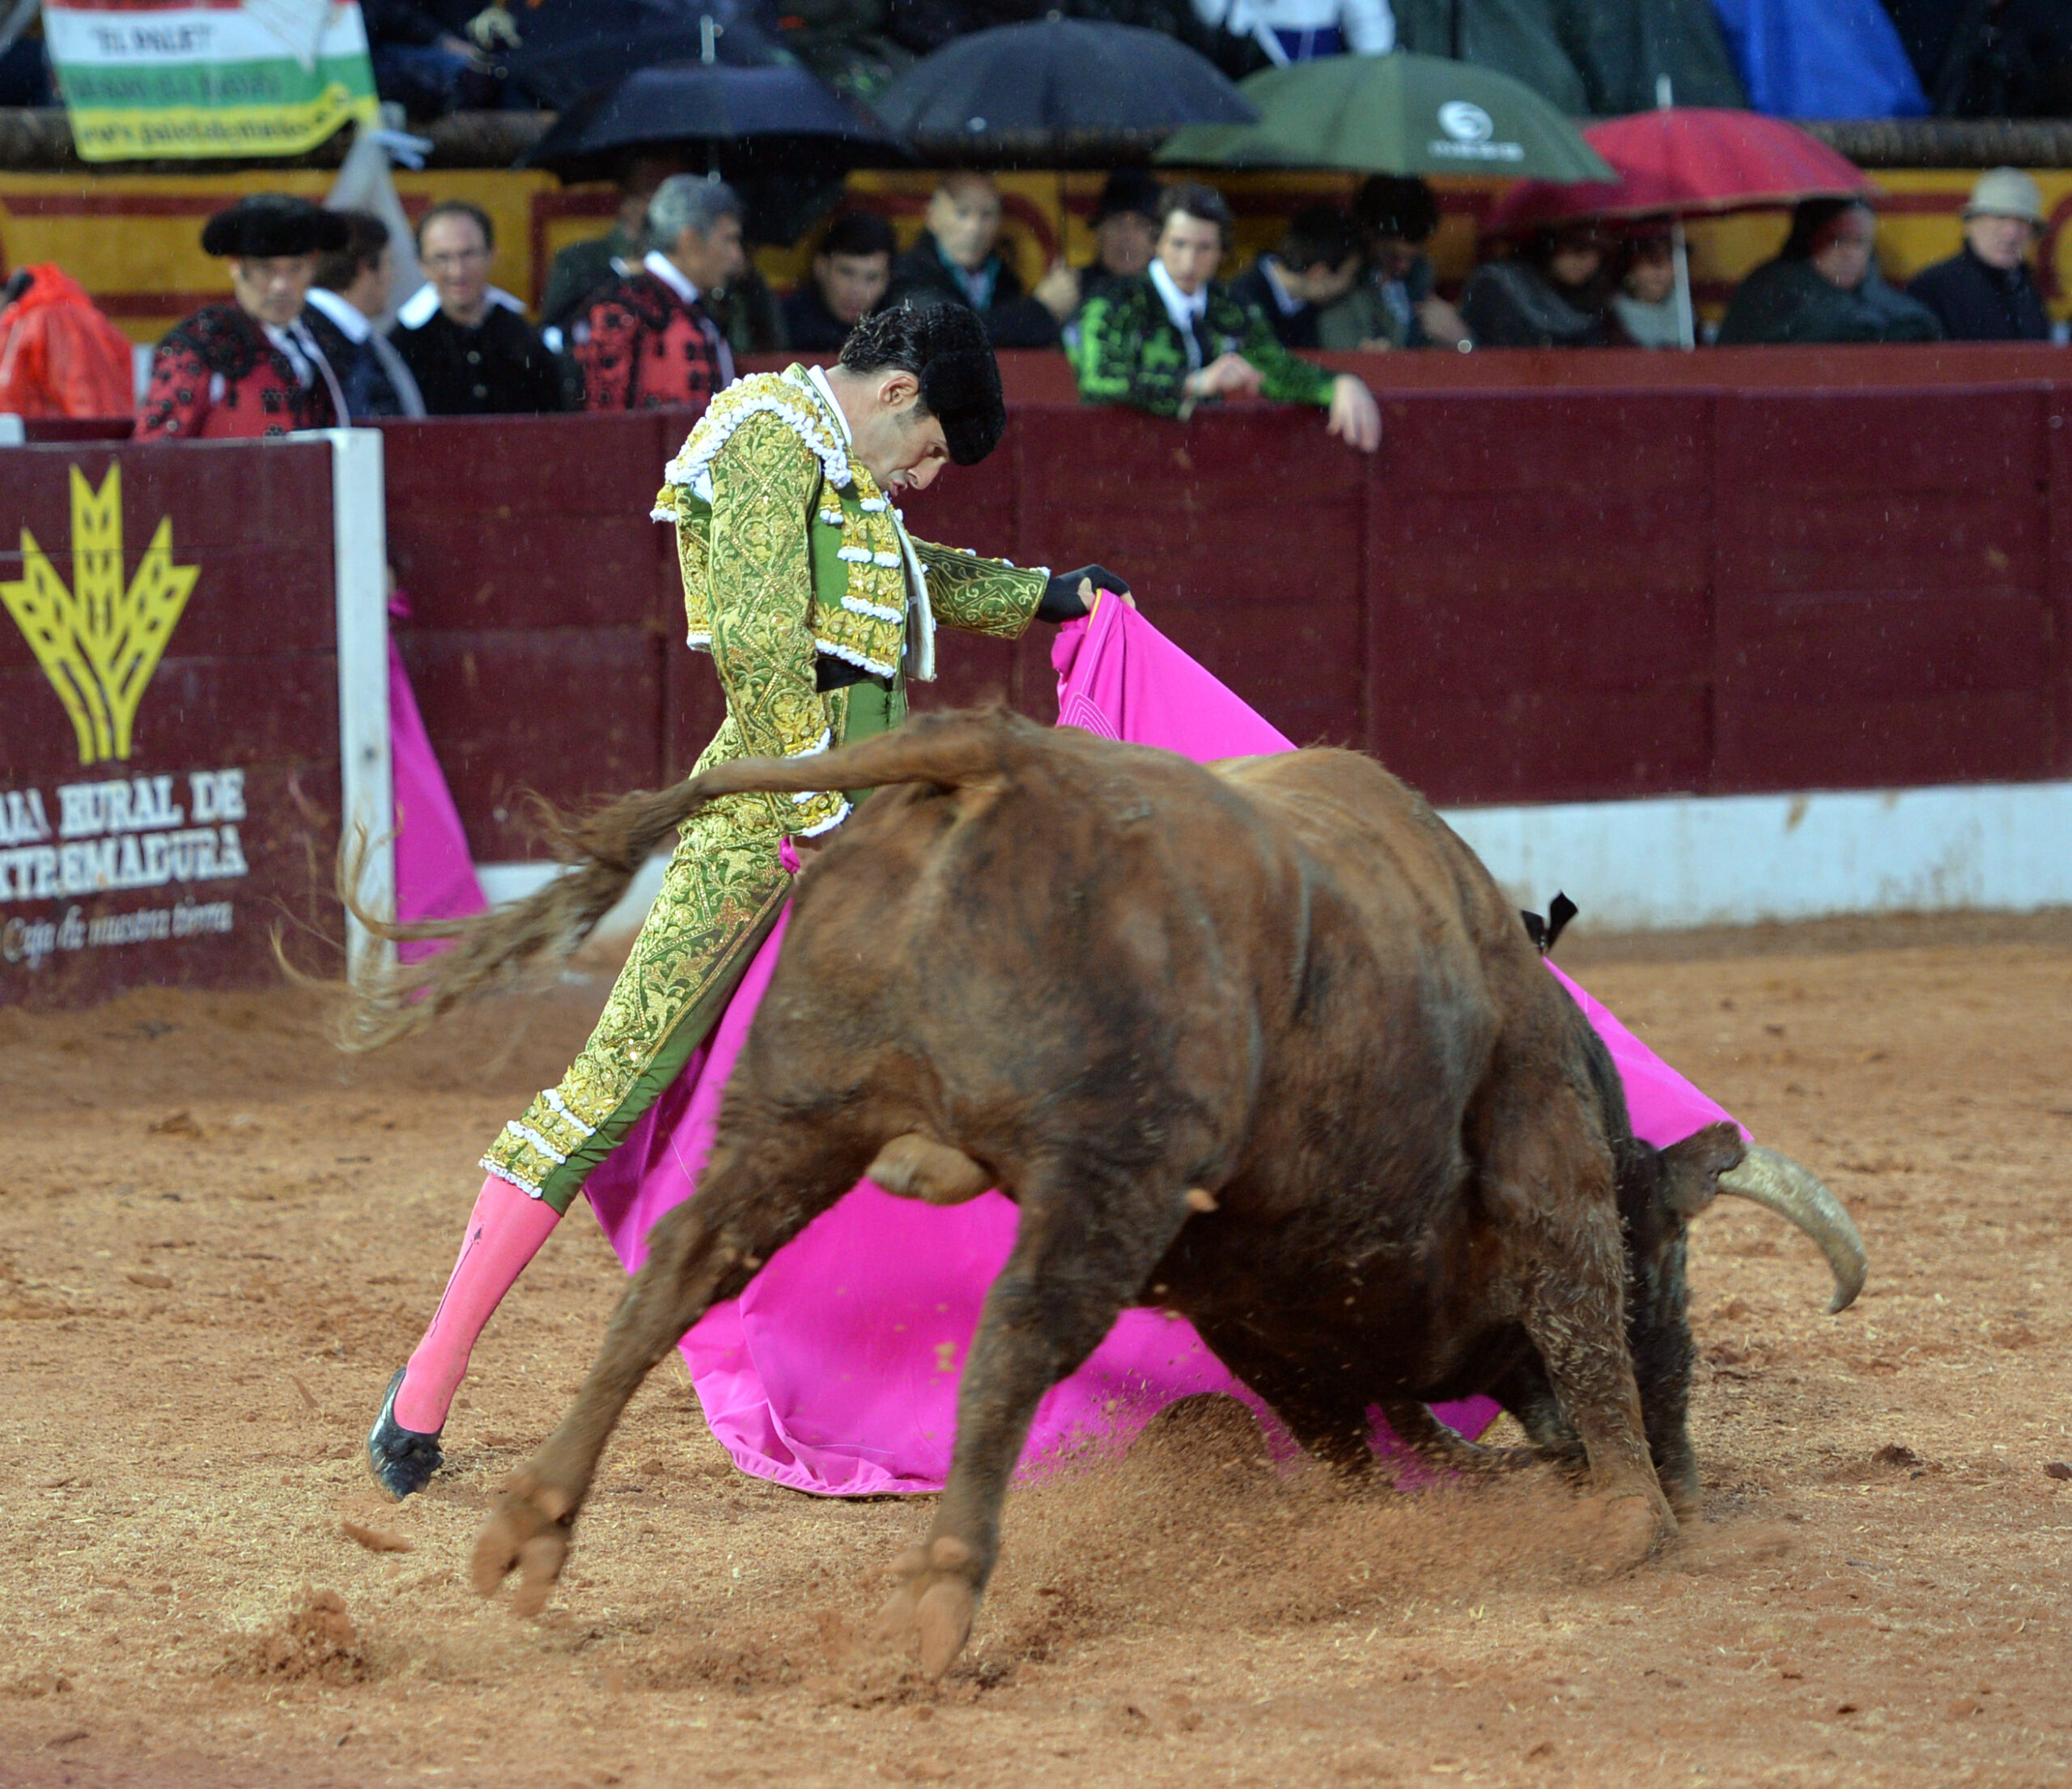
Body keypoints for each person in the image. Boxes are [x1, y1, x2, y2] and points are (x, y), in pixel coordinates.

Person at [363, 301, 1133, 1498]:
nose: (926, 477)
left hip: (867, 826)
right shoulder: (768, 435)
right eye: (932, 449)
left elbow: (901, 577)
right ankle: (425, 1382)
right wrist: (816, 817)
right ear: (897, 393)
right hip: (765, 832)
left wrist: (1039, 596)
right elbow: (764, 647)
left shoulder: (843, 467)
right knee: (609, 1088)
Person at [1072, 182, 1381, 453]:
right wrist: (1191, 383)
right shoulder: (1115, 302)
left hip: (1200, 463)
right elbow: (1099, 379)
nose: (1189, 262)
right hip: (1127, 458)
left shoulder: (1231, 307)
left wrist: (1337, 384)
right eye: (1178, 244)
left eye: (1204, 248)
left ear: (1222, 253)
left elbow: (1275, 369)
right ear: (1158, 243)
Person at [136, 194, 348, 440]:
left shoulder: (322, 342)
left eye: (296, 268)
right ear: (236, 267)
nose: (281, 286)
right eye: (265, 270)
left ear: (313, 265)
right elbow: (154, 452)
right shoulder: (203, 344)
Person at [575, 176, 742, 412]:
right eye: (729, 240)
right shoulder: (625, 307)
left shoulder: (686, 305)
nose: (737, 257)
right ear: (691, 240)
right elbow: (609, 420)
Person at [390, 201, 563, 414]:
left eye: (468, 255)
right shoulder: (401, 346)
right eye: (441, 258)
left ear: (491, 255)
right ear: (422, 264)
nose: (457, 272)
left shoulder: (523, 337)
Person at [884, 172, 1078, 350]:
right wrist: (1040, 309)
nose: (974, 228)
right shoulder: (910, 272)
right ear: (932, 216)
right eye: (962, 213)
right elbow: (946, 332)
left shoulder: (1004, 277)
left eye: (987, 215)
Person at [1717, 198, 1942, 346]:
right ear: (1808, 241)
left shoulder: (1879, 296)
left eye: (1860, 243)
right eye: (1837, 240)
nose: (1849, 254)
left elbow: (1917, 323)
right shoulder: (1769, 290)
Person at [538, 155, 685, 343]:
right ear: (626, 203)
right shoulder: (578, 260)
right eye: (651, 196)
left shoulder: (679, 264)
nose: (662, 209)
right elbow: (554, 329)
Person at [1318, 176, 1470, 352]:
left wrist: (1461, 340)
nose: (1404, 267)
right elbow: (1338, 351)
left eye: (1411, 258)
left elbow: (1461, 349)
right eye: (1394, 257)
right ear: (1370, 238)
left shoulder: (1421, 279)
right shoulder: (1344, 295)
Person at [304, 210, 427, 420]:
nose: (392, 277)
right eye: (388, 263)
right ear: (365, 268)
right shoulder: (320, 340)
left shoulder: (342, 334)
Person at [1907, 167, 2053, 342]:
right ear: (1972, 224)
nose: (2011, 232)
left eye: (2022, 222)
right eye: (2000, 217)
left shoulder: (2026, 290)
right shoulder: (1932, 289)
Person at [1459, 222, 1628, 350]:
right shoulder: (1500, 287)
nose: (1591, 263)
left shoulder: (1595, 295)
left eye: (1600, 253)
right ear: (1549, 244)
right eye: (1578, 248)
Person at [1228, 206, 1364, 351]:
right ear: (1320, 273)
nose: (1350, 285)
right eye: (1350, 277)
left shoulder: (1310, 307)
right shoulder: (1240, 300)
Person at [782, 210, 897, 352]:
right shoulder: (780, 325)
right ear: (821, 267)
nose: (857, 290)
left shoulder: (898, 333)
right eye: (847, 272)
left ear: (887, 281)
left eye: (872, 278)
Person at [1076, 169, 1163, 310]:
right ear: (1099, 233)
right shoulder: (1073, 290)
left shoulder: (1172, 295)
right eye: (1117, 223)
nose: (1128, 236)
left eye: (1140, 224)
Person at [1611, 223, 1685, 350]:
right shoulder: (1612, 321)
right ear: (1630, 267)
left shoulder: (1687, 315)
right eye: (1651, 259)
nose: (1660, 270)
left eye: (1668, 258)